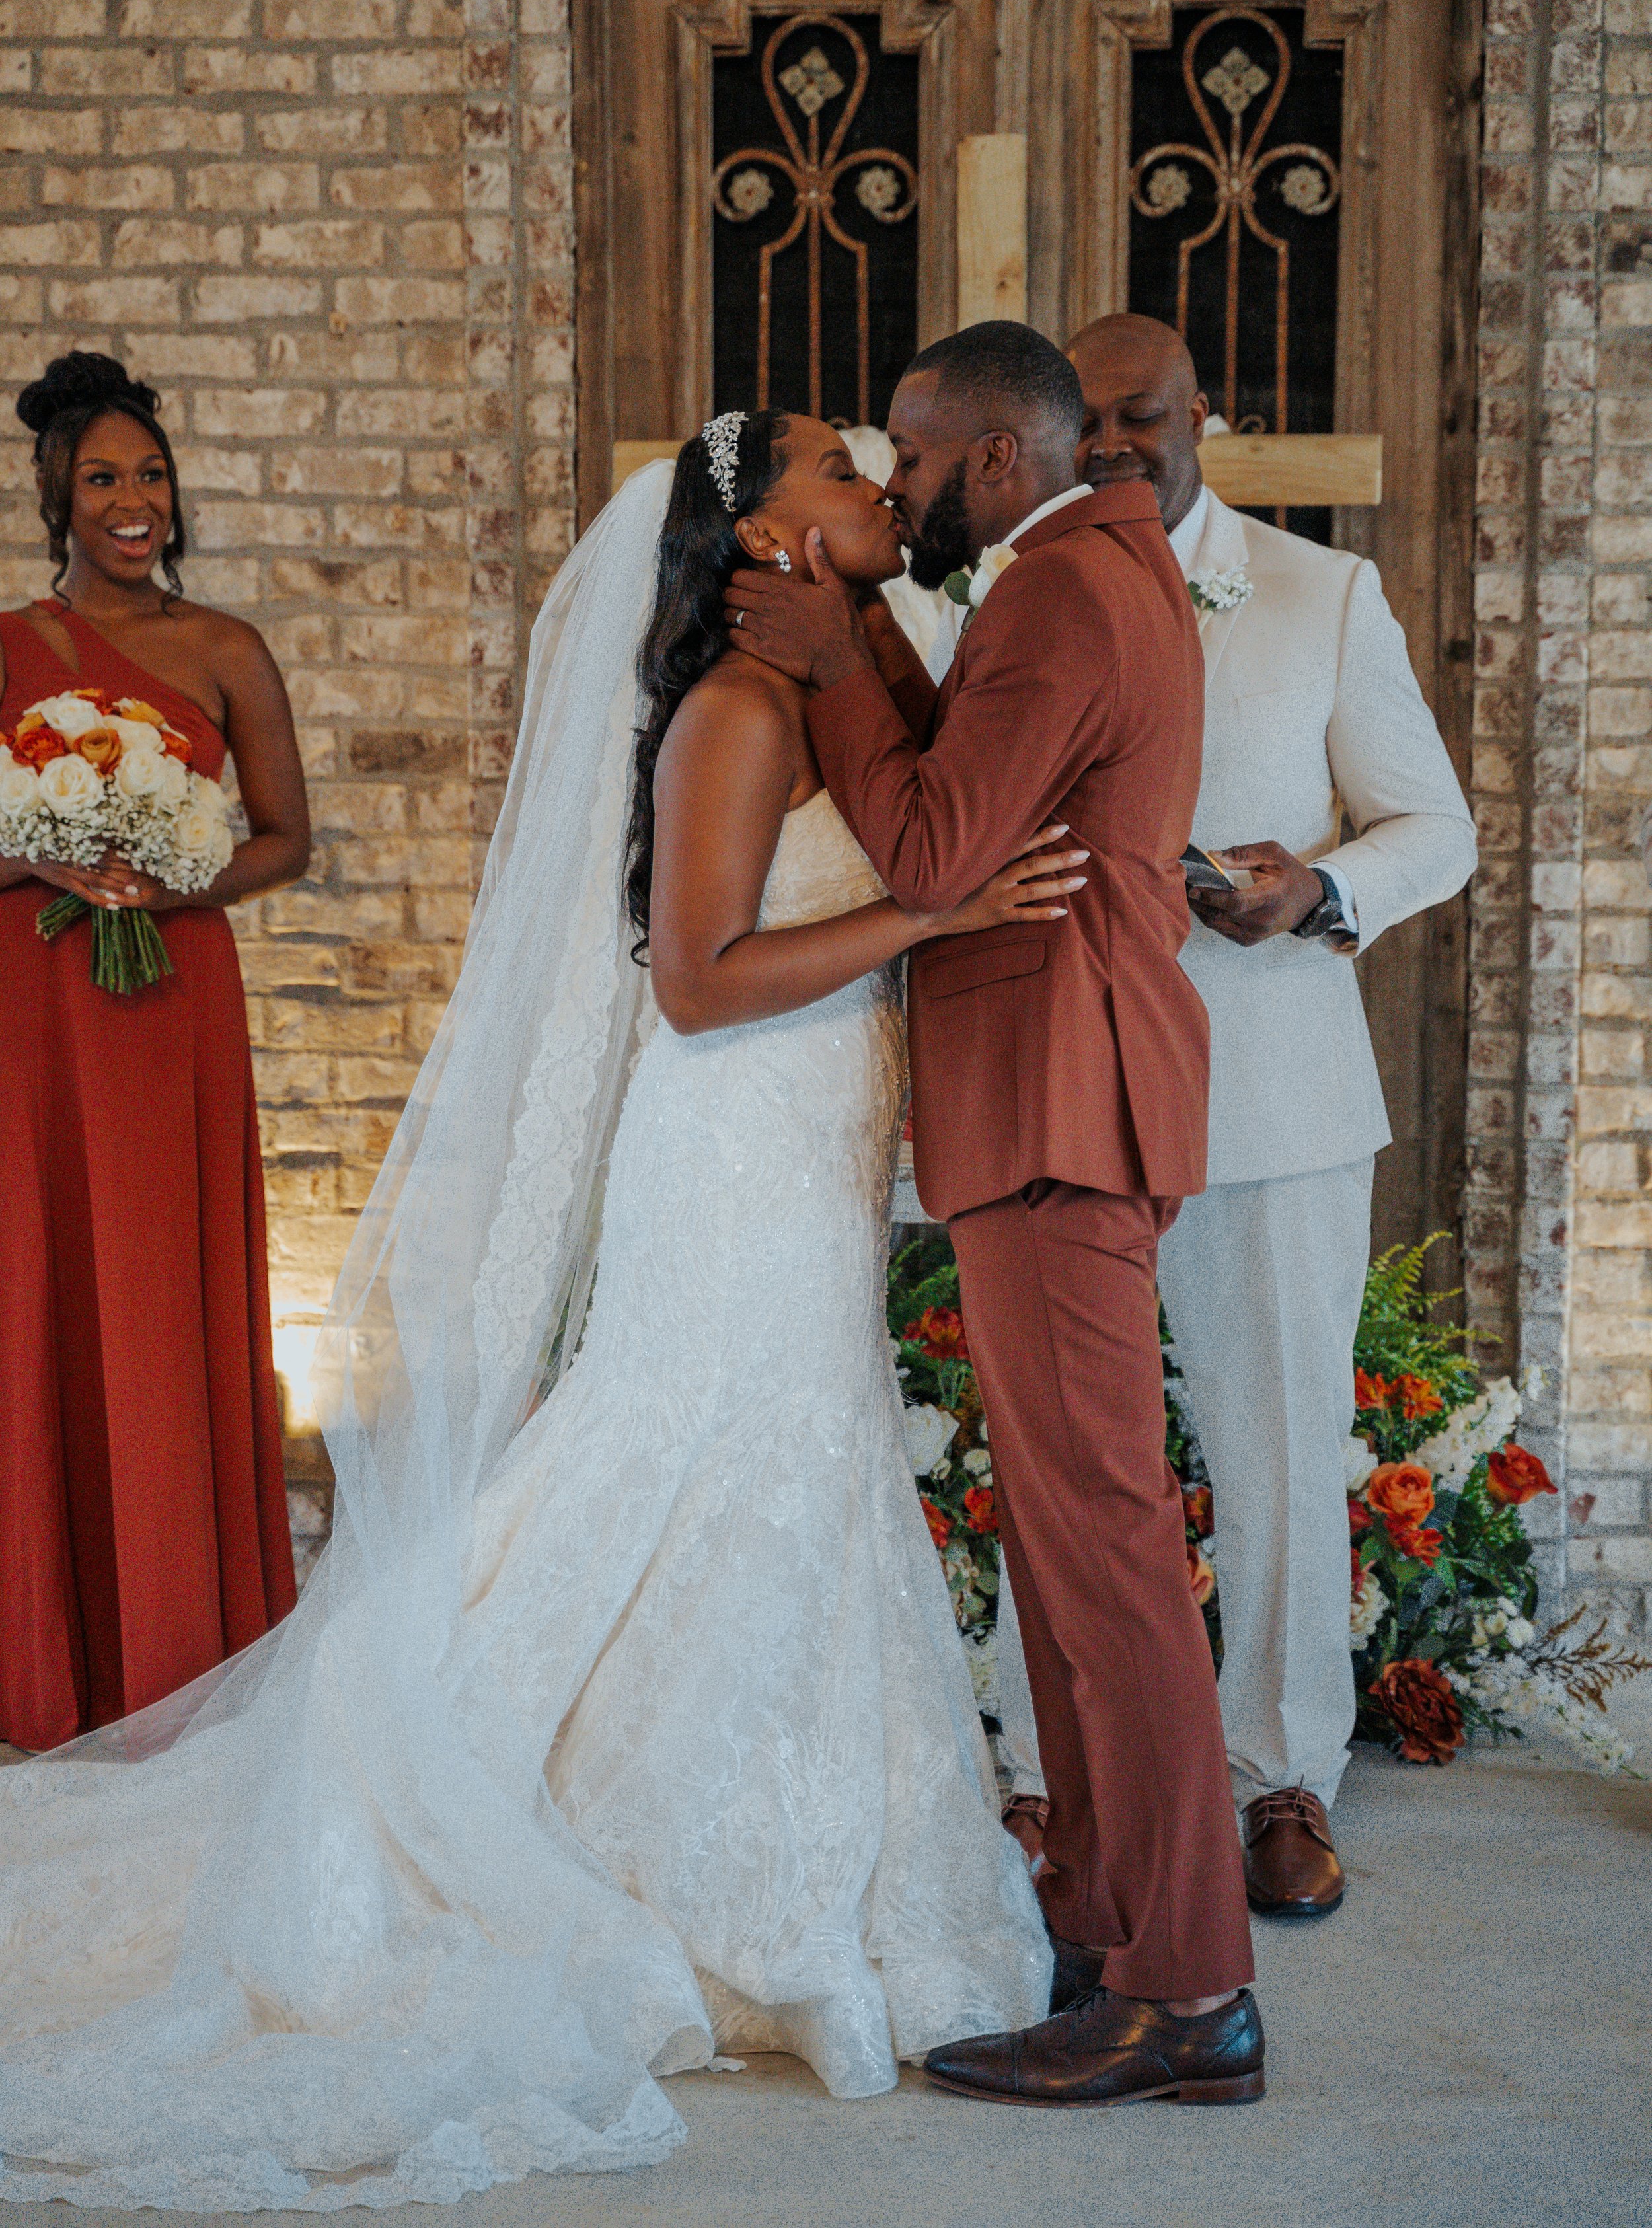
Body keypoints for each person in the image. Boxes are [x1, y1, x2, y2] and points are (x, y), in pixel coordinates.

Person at [0, 414, 1069, 2208]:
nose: (871, 467)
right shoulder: (732, 712)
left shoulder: (830, 686)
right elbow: (704, 984)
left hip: (803, 1149)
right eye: (825, 462)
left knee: (784, 1479)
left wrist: (930, 901)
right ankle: (600, 1845)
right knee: (695, 1456)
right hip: (728, 1151)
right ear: (760, 538)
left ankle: (789, 1859)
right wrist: (928, 908)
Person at [724, 321, 1262, 2110]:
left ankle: (1192, 1986)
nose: (893, 481)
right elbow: (976, 782)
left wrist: (818, 657)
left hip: (1060, 1094)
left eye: (912, 450)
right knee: (1064, 1543)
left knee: (1104, 1550)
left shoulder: (1055, 592)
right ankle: (1106, 1914)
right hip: (1054, 1094)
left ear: (1000, 462)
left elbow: (939, 849)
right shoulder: (1083, 576)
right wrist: (865, 632)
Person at [993, 313, 1477, 1919]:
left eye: (1145, 420)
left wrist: (1321, 885)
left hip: (1267, 1087)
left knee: (1276, 1442)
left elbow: (1435, 826)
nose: (1119, 447)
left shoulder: (1316, 593)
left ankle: (1280, 1780)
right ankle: (1042, 1770)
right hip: (1071, 1084)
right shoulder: (1005, 578)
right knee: (1068, 1452)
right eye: (1094, 424)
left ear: (1207, 414)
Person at [1, 352, 309, 1753]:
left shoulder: (228, 648)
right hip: (39, 1005)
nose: (135, 501)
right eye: (104, 480)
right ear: (57, 498)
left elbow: (284, 837)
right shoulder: (8, 646)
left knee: (164, 1289)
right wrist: (49, 852)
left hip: (170, 998)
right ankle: (48, 1658)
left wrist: (174, 884)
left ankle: (186, 1644)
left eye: (152, 476)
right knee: (47, 1284)